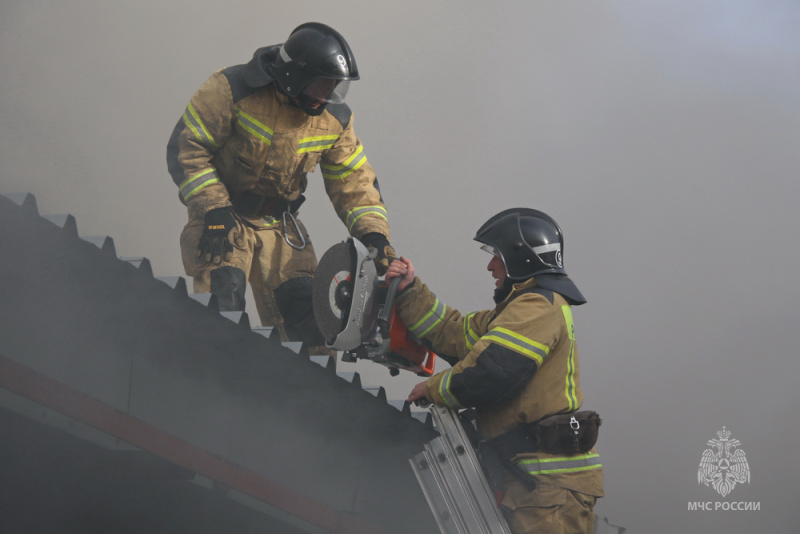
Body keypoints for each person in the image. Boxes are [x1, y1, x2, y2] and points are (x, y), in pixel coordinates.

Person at [166, 22, 394, 350]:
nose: (327, 95)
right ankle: (216, 380)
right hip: (223, 220)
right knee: (222, 308)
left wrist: (375, 235)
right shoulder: (231, 88)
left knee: (310, 323)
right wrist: (213, 207)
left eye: (335, 87)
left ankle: (298, 397)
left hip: (281, 230)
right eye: (321, 84)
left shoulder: (334, 119)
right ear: (295, 74)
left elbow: (354, 182)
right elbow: (187, 149)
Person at [385, 208, 603, 534]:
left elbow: (494, 373)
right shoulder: (519, 310)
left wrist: (433, 389)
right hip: (539, 485)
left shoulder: (538, 307)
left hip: (548, 489)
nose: (490, 266)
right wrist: (410, 290)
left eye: (496, 255)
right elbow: (453, 332)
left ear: (520, 259)